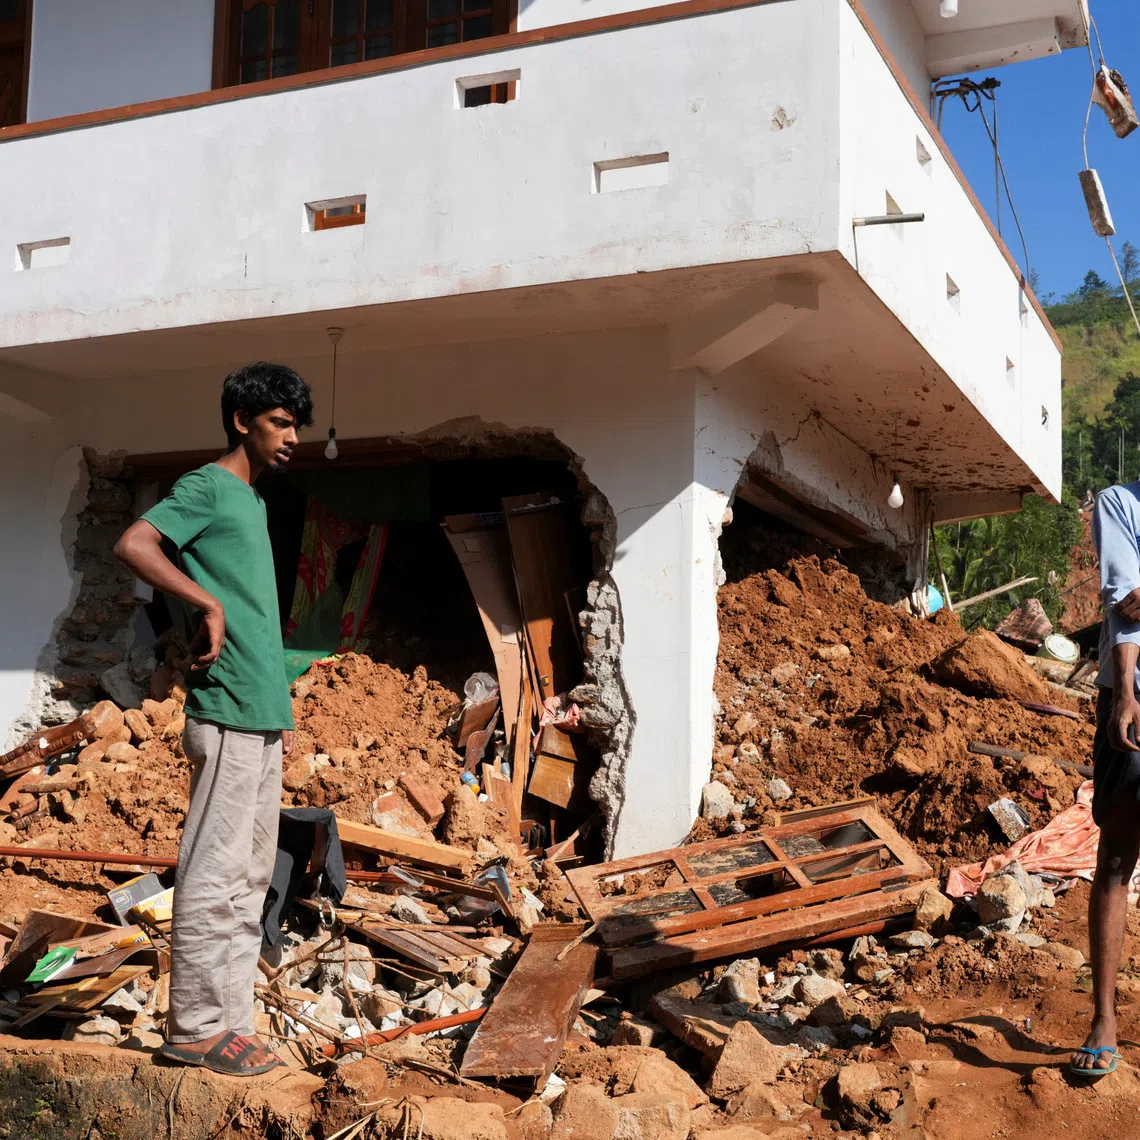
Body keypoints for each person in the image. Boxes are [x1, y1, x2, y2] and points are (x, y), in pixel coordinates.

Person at [114, 362, 313, 1076]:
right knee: (214, 868)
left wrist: (279, 707)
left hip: (259, 712)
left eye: (297, 426)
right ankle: (194, 1026)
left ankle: (231, 1021)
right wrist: (206, 604)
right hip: (225, 710)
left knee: (252, 875)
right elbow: (135, 544)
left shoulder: (254, 503)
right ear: (242, 421)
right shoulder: (208, 487)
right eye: (280, 423)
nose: (292, 438)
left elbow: (258, 613)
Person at [1072, 481, 1140, 1079]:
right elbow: (1125, 601)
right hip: (1132, 697)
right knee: (1117, 856)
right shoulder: (1122, 503)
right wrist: (1124, 692)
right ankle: (1104, 1019)